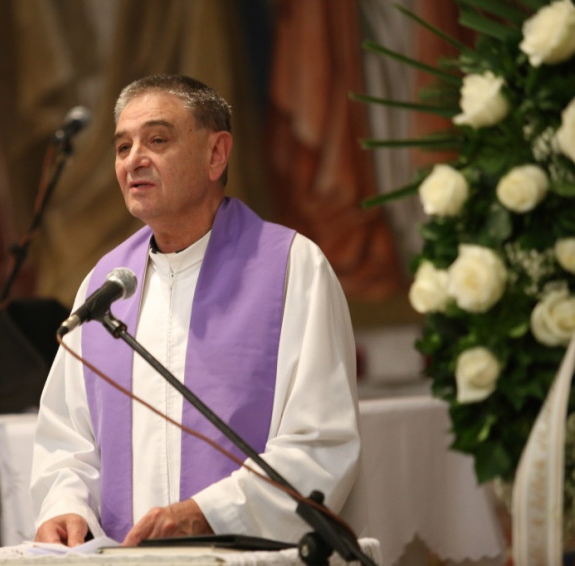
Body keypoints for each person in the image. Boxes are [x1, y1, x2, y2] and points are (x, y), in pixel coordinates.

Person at [30, 74, 360, 547]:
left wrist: (208, 515)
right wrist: (67, 506)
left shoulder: (291, 267)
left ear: (216, 154)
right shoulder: (104, 288)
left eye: (157, 140)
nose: (133, 159)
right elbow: (67, 439)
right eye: (122, 147)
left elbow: (321, 443)